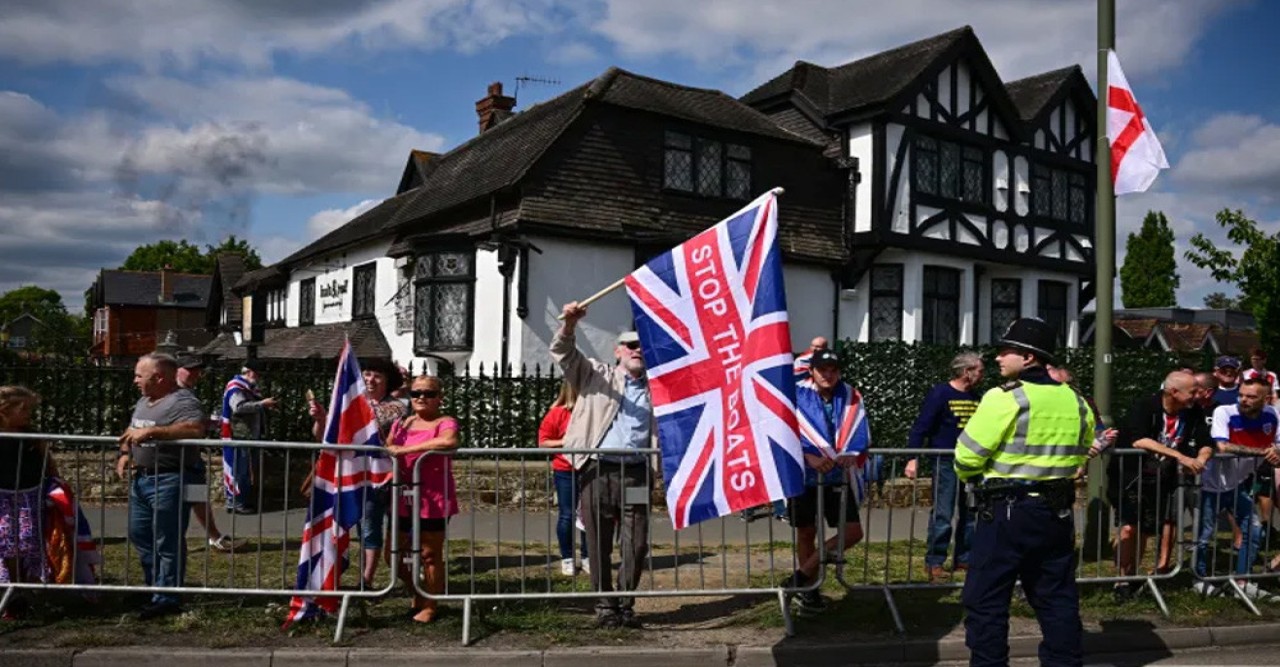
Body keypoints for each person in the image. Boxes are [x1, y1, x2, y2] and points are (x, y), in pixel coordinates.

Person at [953, 317, 1094, 667]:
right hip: (1056, 512)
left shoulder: (1005, 397)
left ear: (1029, 358)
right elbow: (1082, 450)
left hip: (1006, 511)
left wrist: (973, 474)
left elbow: (966, 456)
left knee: (986, 600)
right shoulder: (1076, 401)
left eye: (1007, 351)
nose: (999, 357)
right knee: (1056, 598)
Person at [551, 301, 654, 629]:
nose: (638, 350)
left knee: (636, 543)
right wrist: (569, 324)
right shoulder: (596, 374)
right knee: (597, 541)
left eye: (643, 346)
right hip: (597, 470)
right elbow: (564, 353)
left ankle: (625, 602)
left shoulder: (658, 387)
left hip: (636, 473)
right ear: (618, 350)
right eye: (631, 345)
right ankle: (605, 605)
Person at [116, 353, 208, 620]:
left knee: (167, 539)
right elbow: (132, 428)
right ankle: (153, 586)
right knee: (140, 534)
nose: (134, 380)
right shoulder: (145, 400)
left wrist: (154, 432)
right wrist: (124, 452)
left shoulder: (184, 401)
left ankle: (167, 597)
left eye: (139, 375)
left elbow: (195, 429)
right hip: (143, 479)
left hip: (170, 479)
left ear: (159, 378)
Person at [1106, 371, 1212, 601]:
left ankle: (1133, 575)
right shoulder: (1145, 406)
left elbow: (1206, 440)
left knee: (1144, 529)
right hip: (1131, 475)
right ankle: (1122, 580)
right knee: (1128, 527)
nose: (1197, 395)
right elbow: (1139, 439)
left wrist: (1201, 459)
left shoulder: (1193, 411)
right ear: (1174, 392)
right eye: (1192, 391)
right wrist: (1180, 457)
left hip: (1162, 478)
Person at [307, 356, 406, 589]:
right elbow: (323, 437)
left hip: (377, 477)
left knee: (369, 526)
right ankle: (336, 574)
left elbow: (368, 426)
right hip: (349, 474)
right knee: (343, 524)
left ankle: (367, 580)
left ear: (387, 381)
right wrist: (322, 418)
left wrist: (341, 412)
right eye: (367, 374)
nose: (370, 379)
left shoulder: (397, 407)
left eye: (377, 375)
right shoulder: (350, 405)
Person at [788, 348, 868, 613]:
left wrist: (851, 452)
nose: (828, 375)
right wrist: (808, 457)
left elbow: (859, 428)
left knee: (853, 531)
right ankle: (809, 592)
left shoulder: (850, 395)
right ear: (812, 371)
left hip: (837, 476)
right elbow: (785, 430)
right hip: (803, 475)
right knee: (806, 531)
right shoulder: (797, 394)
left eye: (833, 370)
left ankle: (801, 577)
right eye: (823, 370)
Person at [1195, 378, 1280, 600]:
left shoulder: (1273, 415)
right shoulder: (1225, 411)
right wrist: (1263, 452)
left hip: (1236, 484)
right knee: (1204, 535)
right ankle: (1199, 578)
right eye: (1241, 394)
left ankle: (1242, 581)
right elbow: (1222, 445)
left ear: (1265, 398)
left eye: (1251, 396)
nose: (1244, 399)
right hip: (1210, 484)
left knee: (1253, 529)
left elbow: (1277, 445)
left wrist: (1275, 451)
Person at [386, 375, 459, 623]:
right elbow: (388, 447)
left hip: (433, 499)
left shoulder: (445, 421)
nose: (421, 398)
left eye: (428, 393)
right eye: (416, 393)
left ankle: (430, 604)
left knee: (430, 554)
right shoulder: (402, 424)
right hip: (402, 496)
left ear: (439, 398)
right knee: (392, 554)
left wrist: (406, 450)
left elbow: (449, 441)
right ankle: (418, 589)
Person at [904, 352, 982, 582]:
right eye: (979, 370)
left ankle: (965, 559)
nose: (982, 375)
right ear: (966, 372)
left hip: (971, 462)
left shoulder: (978, 397)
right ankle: (935, 561)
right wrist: (913, 457)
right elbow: (922, 425)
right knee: (943, 513)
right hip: (945, 461)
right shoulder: (940, 393)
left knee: (970, 513)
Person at [175, 356, 243, 553]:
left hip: (191, 458)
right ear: (177, 370)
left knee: (198, 497)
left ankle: (214, 537)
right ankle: (176, 540)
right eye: (191, 370)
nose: (196, 374)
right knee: (176, 503)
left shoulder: (188, 392)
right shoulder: (171, 393)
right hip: (175, 459)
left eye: (198, 370)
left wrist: (207, 422)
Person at [0, 387, 52, 604]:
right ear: (4, 410)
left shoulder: (31, 435)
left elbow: (47, 460)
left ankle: (25, 585)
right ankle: (9, 585)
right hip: (3, 495)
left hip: (29, 494)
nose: (29, 413)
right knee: (5, 540)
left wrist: (55, 482)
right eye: (24, 409)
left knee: (28, 539)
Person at [538, 382, 590, 576]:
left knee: (589, 514)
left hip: (589, 468)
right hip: (565, 469)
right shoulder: (557, 413)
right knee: (567, 514)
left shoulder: (592, 412)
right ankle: (567, 558)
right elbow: (543, 442)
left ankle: (587, 556)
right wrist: (566, 442)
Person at [219, 360, 277, 514]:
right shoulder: (236, 387)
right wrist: (262, 404)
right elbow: (238, 407)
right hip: (238, 434)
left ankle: (241, 501)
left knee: (245, 470)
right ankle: (235, 502)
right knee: (239, 469)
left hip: (248, 435)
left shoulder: (248, 388)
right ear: (250, 372)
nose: (258, 377)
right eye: (257, 374)